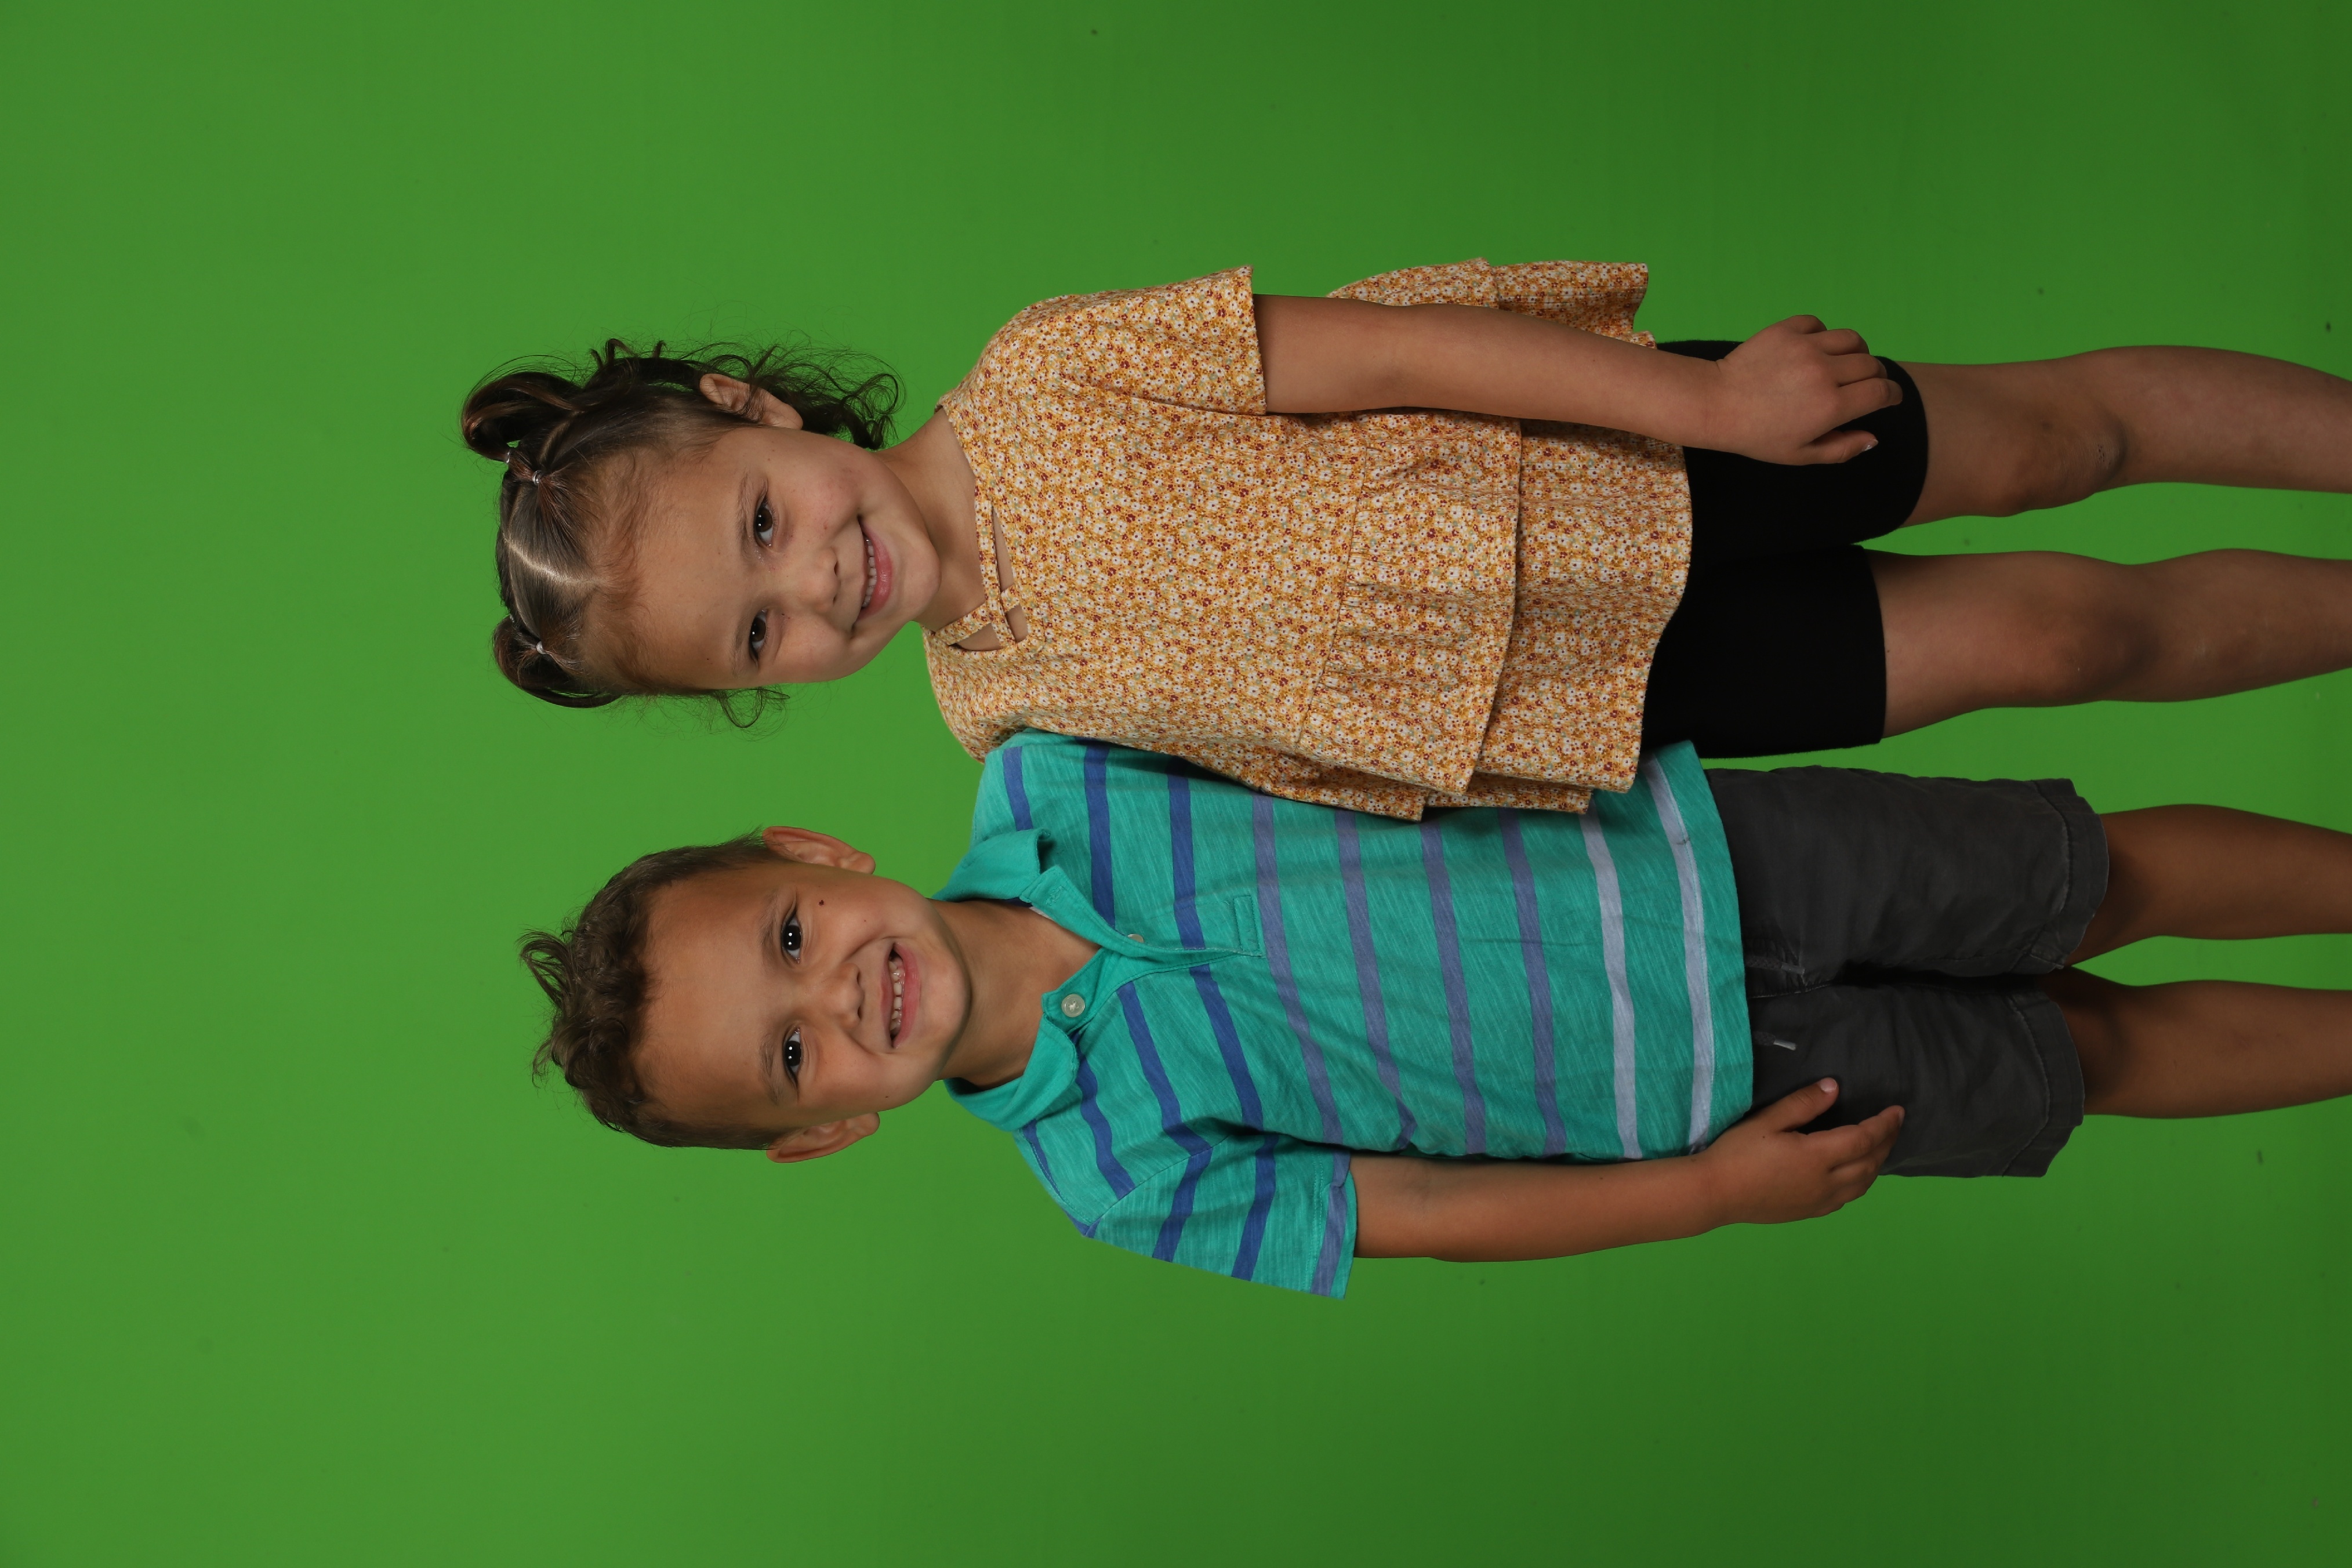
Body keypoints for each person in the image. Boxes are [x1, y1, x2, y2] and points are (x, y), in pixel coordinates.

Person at [463, 259, 2352, 819]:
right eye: (759, 634)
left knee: (2054, 442)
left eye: (765, 523)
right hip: (1608, 699)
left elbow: (1388, 352)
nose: (815, 585)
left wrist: (1708, 406)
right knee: (2064, 642)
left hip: (1626, 463)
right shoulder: (1000, 722)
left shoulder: (1042, 372)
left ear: (761, 412)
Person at [520, 731, 2352, 1296]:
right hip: (1711, 1090)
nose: (837, 993)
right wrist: (1703, 1195)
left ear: (812, 851)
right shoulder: (1111, 1177)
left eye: (788, 935)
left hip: (1705, 849)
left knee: (2087, 878)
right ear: (829, 1128)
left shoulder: (1060, 761)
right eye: (791, 1054)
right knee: (2080, 1056)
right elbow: (1418, 1209)